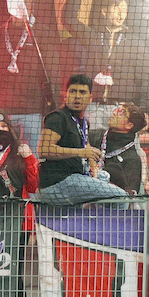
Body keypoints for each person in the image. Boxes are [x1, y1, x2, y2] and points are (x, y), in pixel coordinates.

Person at [35, 75, 130, 205]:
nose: (77, 96)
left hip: (74, 178)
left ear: (90, 98)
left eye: (82, 92)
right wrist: (80, 152)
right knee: (121, 197)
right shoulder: (58, 118)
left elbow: (86, 146)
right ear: (66, 96)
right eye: (73, 91)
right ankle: (106, 224)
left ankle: (95, 221)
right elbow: (43, 150)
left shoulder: (84, 123)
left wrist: (93, 167)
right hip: (58, 182)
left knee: (104, 176)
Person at [96, 103, 148, 194]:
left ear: (129, 125)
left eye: (121, 113)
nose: (115, 113)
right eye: (117, 110)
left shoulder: (133, 159)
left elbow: (130, 196)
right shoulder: (95, 137)